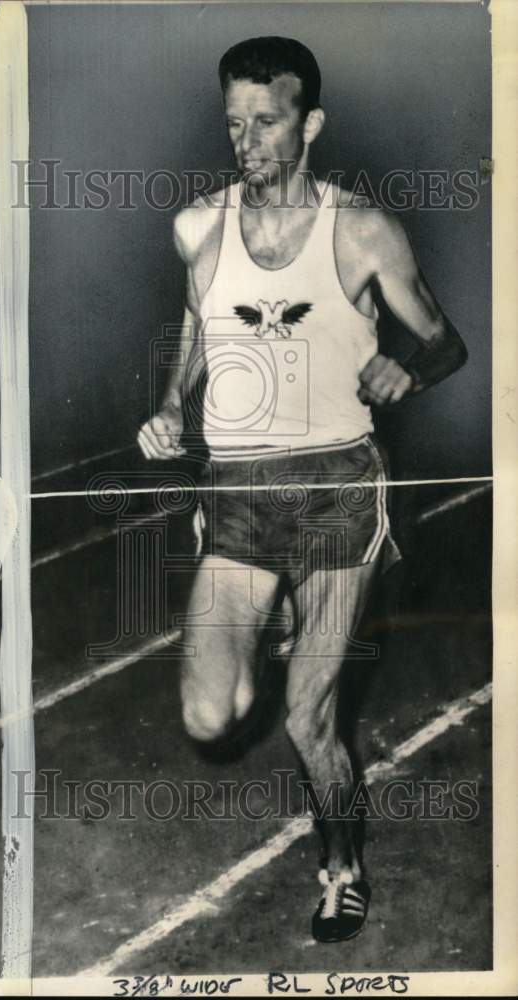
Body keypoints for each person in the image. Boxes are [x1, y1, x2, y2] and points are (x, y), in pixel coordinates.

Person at [137, 36, 467, 943]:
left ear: (310, 123)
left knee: (307, 718)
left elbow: (443, 341)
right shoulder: (199, 226)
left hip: (334, 495)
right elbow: (198, 324)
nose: (248, 140)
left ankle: (341, 866)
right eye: (235, 122)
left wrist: (407, 367)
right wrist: (172, 406)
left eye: (268, 121)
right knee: (210, 716)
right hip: (239, 493)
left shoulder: (360, 230)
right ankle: (281, 622)